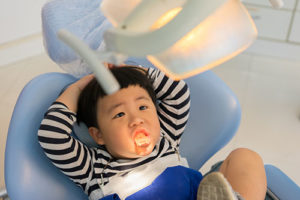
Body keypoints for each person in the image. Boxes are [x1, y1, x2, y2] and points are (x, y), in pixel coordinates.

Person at [38, 65, 267, 200]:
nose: (136, 119)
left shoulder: (166, 138)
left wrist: (129, 72)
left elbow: (177, 91)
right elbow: (52, 136)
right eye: (119, 114)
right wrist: (78, 88)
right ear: (99, 135)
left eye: (143, 107)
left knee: (245, 157)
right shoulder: (93, 167)